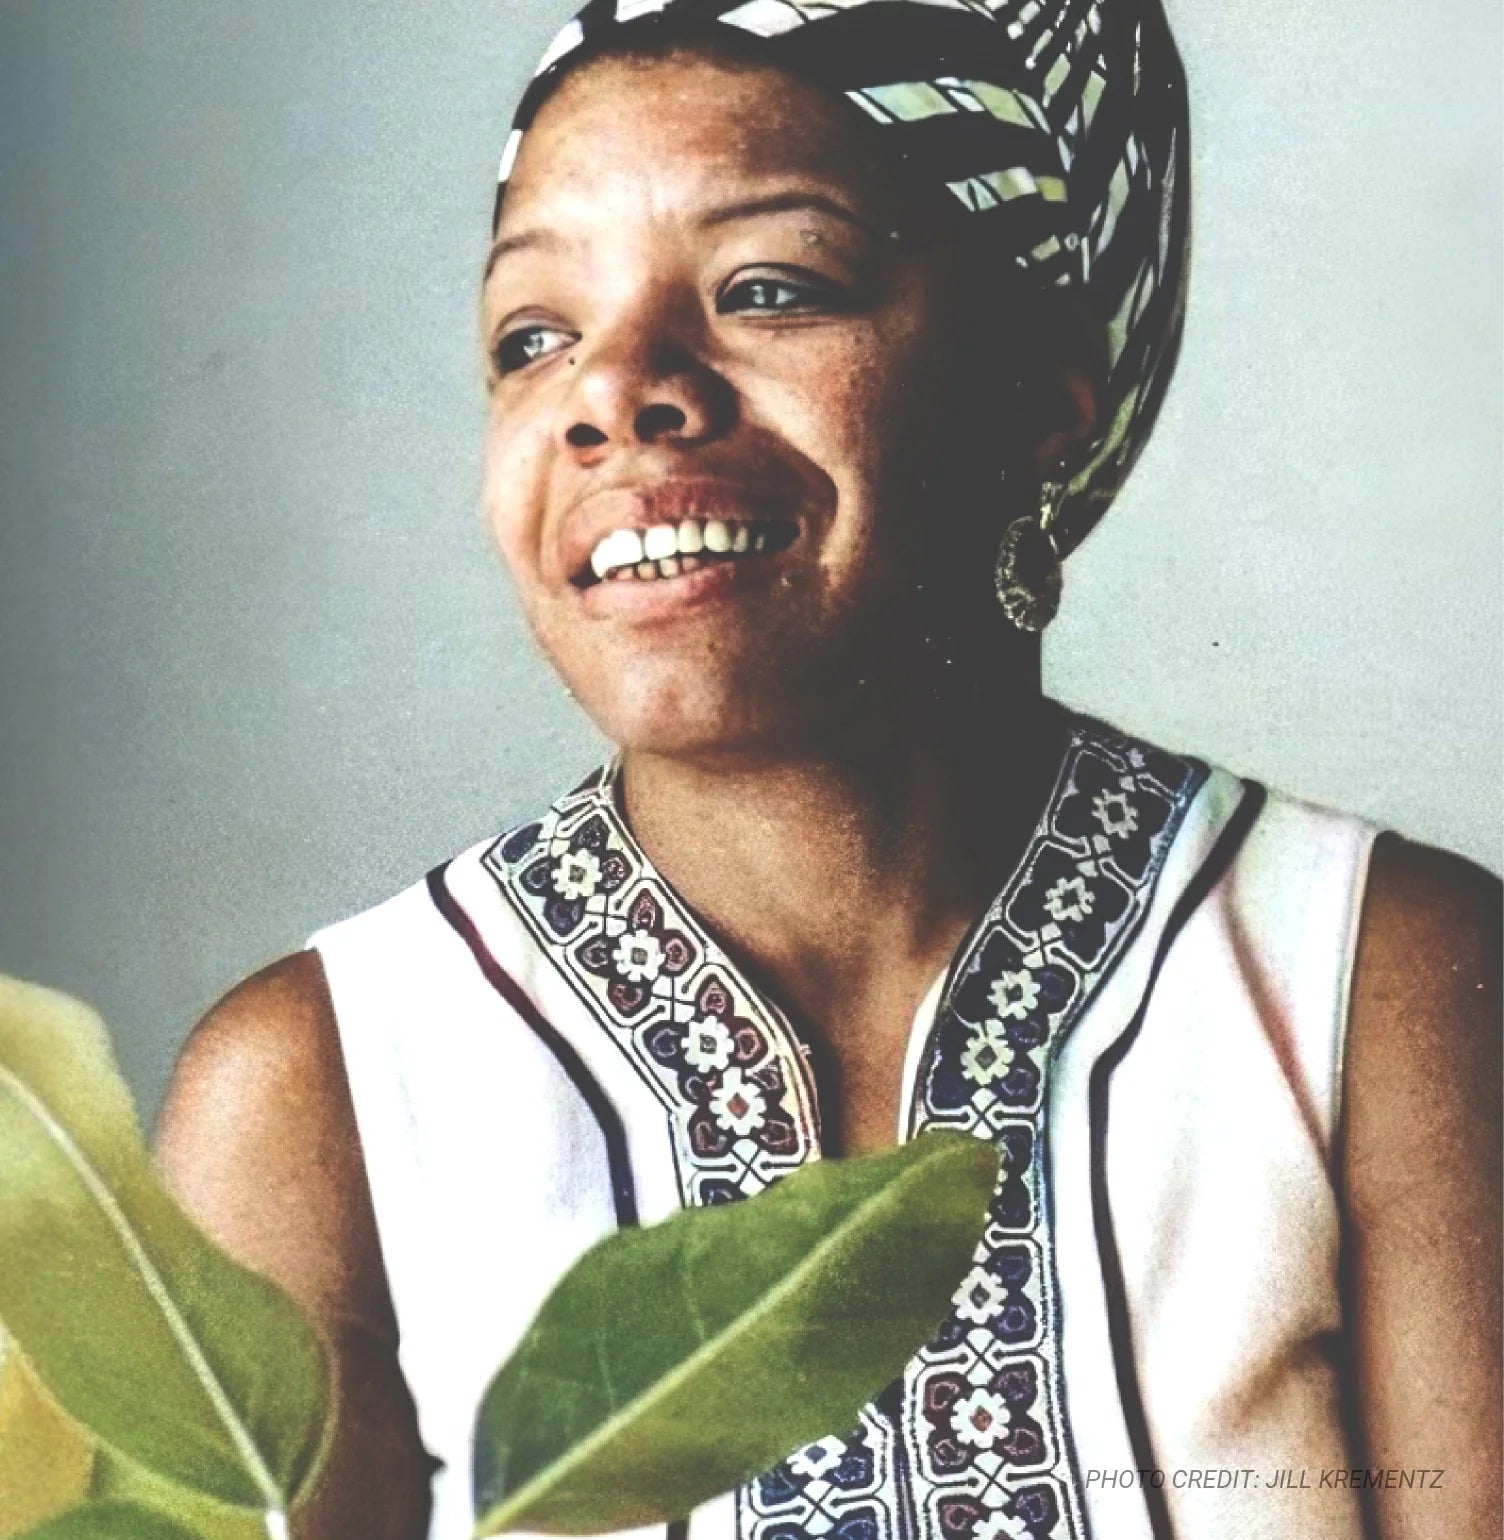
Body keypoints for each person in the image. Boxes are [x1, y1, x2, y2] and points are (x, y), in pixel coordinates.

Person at [154, 2, 1501, 1538]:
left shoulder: (1383, 992)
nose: (615, 389)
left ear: (1037, 393)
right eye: (535, 336)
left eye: (769, 287)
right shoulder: (315, 1096)